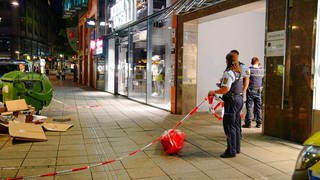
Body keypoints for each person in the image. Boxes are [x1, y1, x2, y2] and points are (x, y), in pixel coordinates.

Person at [208, 53, 244, 158]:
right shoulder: (239, 72)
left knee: (229, 126)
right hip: (239, 99)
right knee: (236, 125)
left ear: (227, 61)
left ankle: (230, 151)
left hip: (231, 101)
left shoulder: (228, 73)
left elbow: (226, 89)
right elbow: (232, 85)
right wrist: (222, 86)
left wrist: (214, 91)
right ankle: (236, 148)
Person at [243, 57, 264, 128]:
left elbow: (245, 79)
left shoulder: (248, 70)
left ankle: (248, 123)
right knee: (258, 107)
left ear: (251, 62)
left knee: (249, 107)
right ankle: (259, 123)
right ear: (258, 62)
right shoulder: (262, 70)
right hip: (259, 91)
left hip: (250, 90)